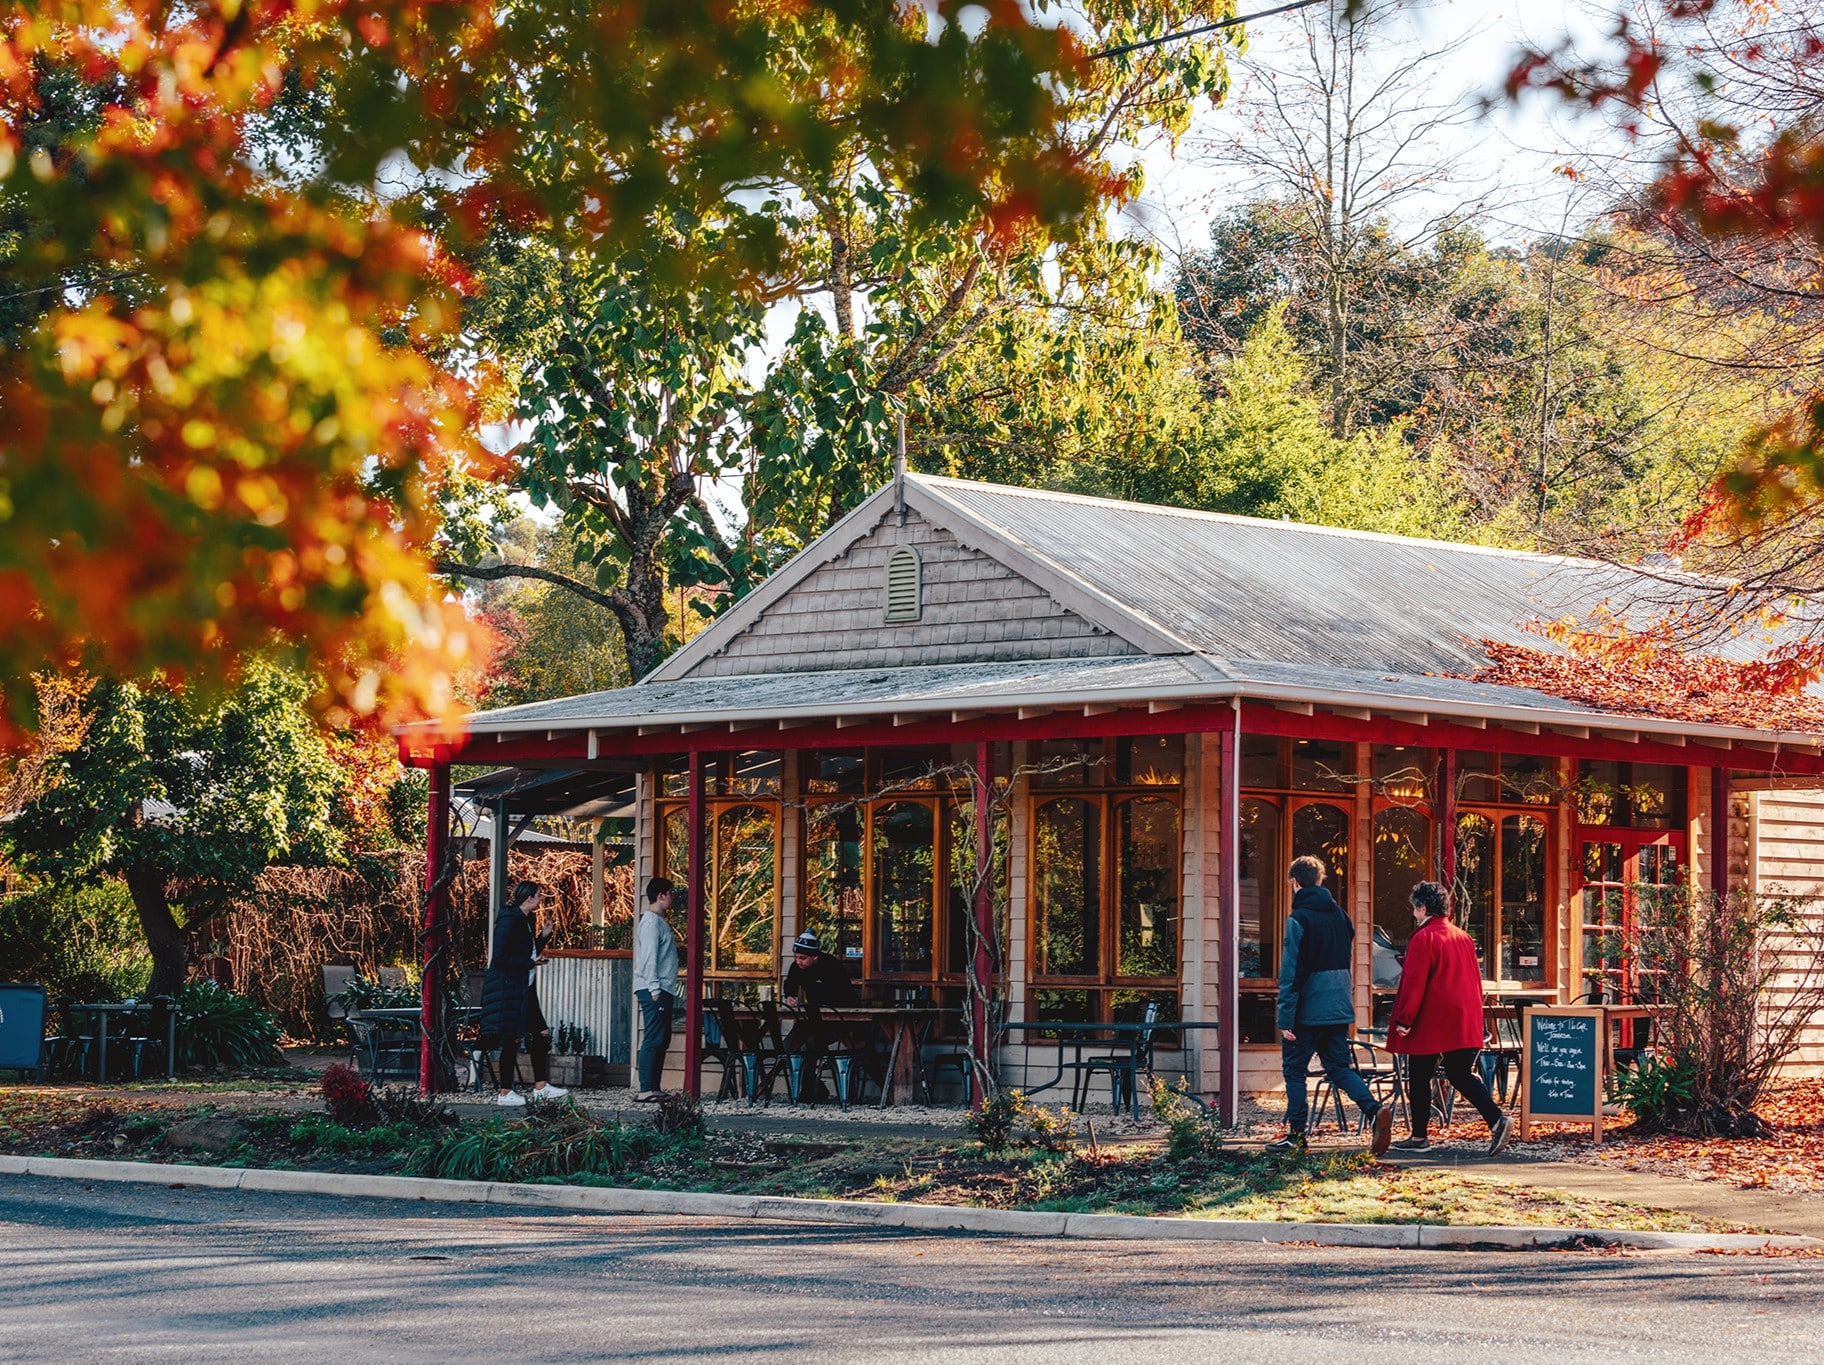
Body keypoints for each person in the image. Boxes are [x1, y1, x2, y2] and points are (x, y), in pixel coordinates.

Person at [1270, 855, 1393, 1156]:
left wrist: (1285, 1017)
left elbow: (1291, 971)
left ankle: (1296, 1136)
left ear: (1295, 883)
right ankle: (1373, 1110)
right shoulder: (1342, 917)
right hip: (1339, 1006)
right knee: (1339, 1067)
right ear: (1320, 880)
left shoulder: (1298, 919)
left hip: (1308, 1011)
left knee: (1294, 1072)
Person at [1386, 880, 1512, 1155]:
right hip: (1465, 1015)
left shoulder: (1423, 937)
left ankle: (1419, 1136)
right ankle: (1496, 1120)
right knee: (1459, 1073)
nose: (1414, 913)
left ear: (1422, 908)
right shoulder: (1463, 937)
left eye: (1415, 908)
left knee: (1419, 1074)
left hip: (1432, 1017)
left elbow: (1415, 983)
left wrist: (1405, 1020)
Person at [479, 881, 568, 1107]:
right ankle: (505, 1092)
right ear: (529, 898)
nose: (540, 899)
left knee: (541, 1033)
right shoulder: (509, 920)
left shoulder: (527, 919)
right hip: (508, 988)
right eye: (538, 895)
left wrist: (543, 936)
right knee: (512, 1037)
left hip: (524, 987)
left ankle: (540, 1086)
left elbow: (527, 951)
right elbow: (500, 958)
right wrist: (530, 963)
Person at [781, 930, 857, 1102]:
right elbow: (790, 984)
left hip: (837, 1022)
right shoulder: (797, 967)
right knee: (788, 1047)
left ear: (815, 957)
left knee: (809, 1045)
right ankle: (813, 1086)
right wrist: (790, 996)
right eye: (796, 957)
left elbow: (845, 995)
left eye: (802, 958)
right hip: (811, 1020)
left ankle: (811, 1089)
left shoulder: (832, 966)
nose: (798, 961)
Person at [632, 877, 680, 1103]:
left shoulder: (659, 921)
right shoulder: (651, 923)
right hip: (654, 987)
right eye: (670, 893)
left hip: (662, 986)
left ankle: (653, 1086)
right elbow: (649, 958)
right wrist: (654, 988)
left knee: (661, 1037)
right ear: (661, 895)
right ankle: (646, 1089)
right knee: (654, 1037)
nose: (673, 897)